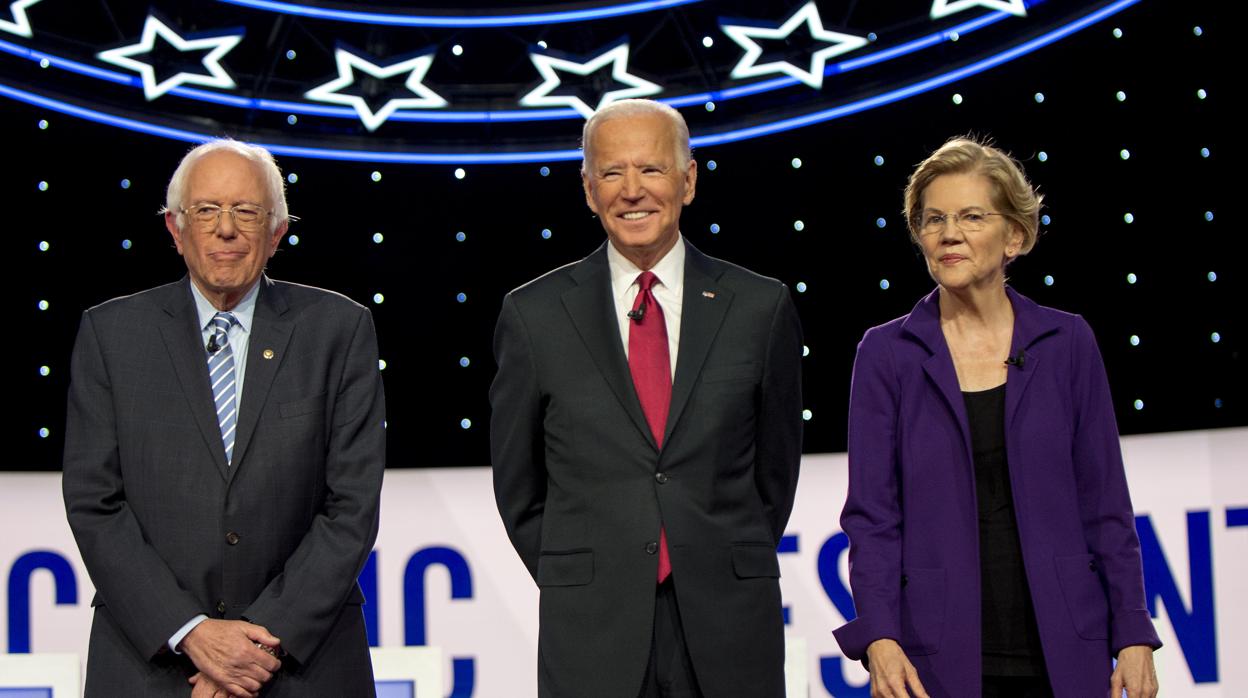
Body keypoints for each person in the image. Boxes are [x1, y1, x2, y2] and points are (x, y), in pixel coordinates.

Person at [490, 99, 803, 698]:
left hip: (729, 622)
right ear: (587, 189)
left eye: (652, 170)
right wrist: (584, 573)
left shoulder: (760, 308)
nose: (632, 191)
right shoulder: (533, 315)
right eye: (612, 173)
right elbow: (519, 487)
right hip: (592, 627)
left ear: (688, 181)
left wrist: (716, 558)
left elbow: (775, 473)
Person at [832, 137, 1161, 697]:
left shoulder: (1068, 342)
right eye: (933, 219)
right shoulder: (886, 354)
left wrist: (1132, 630)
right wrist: (880, 637)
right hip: (936, 653)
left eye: (971, 216)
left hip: (1066, 644)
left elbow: (1106, 505)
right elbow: (872, 517)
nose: (948, 233)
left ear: (1015, 236)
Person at [62, 139, 386, 697]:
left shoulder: (338, 330)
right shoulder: (112, 336)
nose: (226, 229)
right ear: (175, 228)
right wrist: (192, 634)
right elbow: (95, 503)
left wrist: (254, 647)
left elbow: (351, 505)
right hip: (153, 665)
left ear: (278, 231)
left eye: (246, 212)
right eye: (206, 211)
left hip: (301, 664)